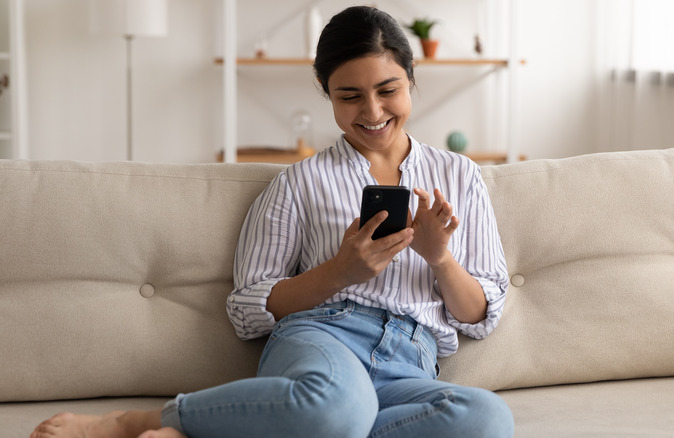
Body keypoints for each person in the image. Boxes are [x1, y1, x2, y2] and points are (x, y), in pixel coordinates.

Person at [30, 6, 513, 438]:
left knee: (487, 420)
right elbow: (246, 309)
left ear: (411, 78)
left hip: (411, 358)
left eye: (388, 90)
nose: (372, 111)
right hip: (323, 339)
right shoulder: (298, 183)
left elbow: (479, 316)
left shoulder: (460, 175)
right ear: (326, 93)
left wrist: (440, 258)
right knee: (337, 406)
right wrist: (341, 272)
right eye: (349, 96)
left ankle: (281, 426)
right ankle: (142, 422)